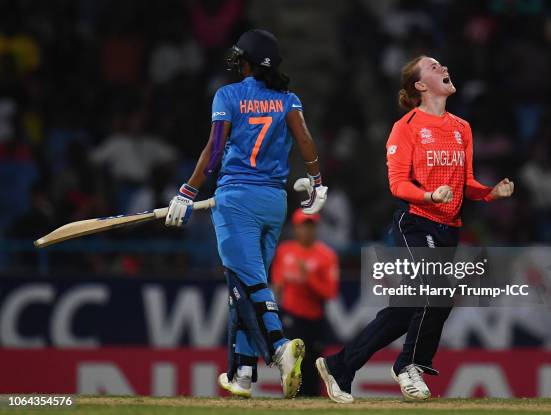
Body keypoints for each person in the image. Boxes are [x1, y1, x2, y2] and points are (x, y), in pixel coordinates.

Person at [316, 55, 514, 403]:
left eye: (443, 65)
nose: (444, 68)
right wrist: (429, 195)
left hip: (448, 228)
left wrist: (490, 193)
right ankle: (410, 364)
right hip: (415, 222)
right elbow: (396, 185)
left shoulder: (461, 128)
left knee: (406, 309)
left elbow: (465, 182)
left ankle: (340, 367)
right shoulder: (405, 127)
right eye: (434, 67)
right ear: (420, 85)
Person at [164, 29, 328, 399]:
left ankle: (278, 347)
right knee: (245, 288)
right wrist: (317, 180)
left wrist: (187, 191)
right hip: (274, 202)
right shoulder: (288, 99)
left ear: (247, 61)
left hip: (236, 198)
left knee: (248, 286)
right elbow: (304, 140)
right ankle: (241, 373)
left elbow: (215, 147)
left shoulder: (228, 95)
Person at [272, 209, 339, 396]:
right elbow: (278, 284)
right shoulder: (285, 251)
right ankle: (291, 398)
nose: (307, 231)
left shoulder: (326, 255)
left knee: (313, 365)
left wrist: (308, 277)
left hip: (315, 318)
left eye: (311, 226)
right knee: (292, 364)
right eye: (303, 226)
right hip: (291, 316)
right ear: (295, 228)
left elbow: (330, 292)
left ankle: (311, 402)